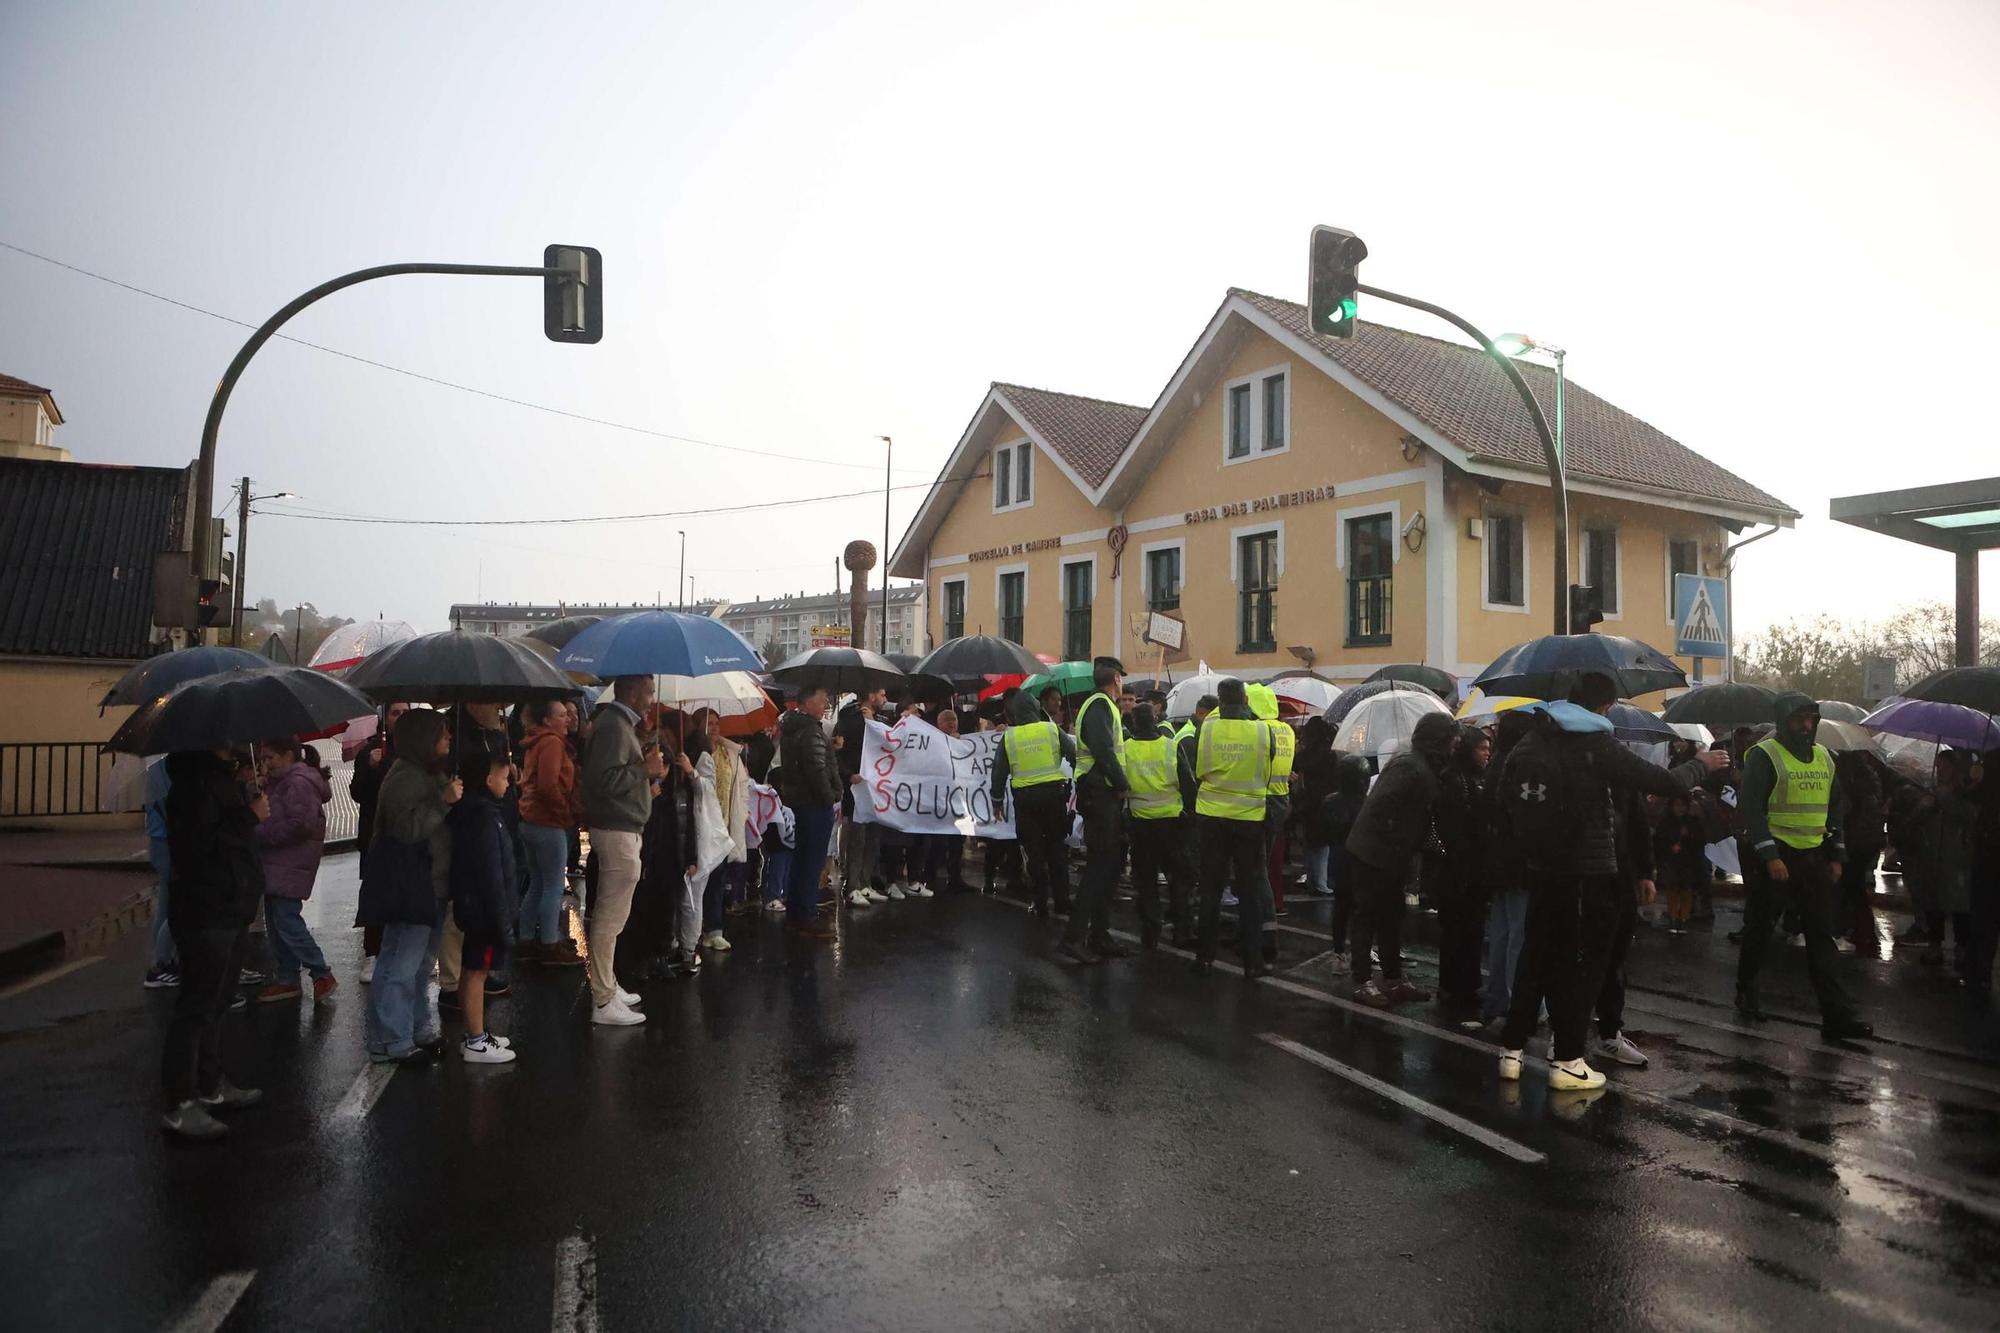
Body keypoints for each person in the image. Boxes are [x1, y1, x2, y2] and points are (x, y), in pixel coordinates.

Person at [1498, 674, 1727, 1091]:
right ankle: (1569, 1059)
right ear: (1604, 707)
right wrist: (1702, 765)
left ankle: (1511, 1051)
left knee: (1537, 955)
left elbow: (1504, 800)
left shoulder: (1532, 741)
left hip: (1541, 868)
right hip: (1587, 872)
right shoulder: (1595, 744)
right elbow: (1664, 782)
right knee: (1584, 965)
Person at [1733, 693, 1872, 1041]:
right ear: (1784, 721)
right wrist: (1770, 856)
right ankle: (1747, 988)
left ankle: (1836, 1016)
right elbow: (1752, 809)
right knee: (1760, 929)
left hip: (1814, 859)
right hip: (1777, 858)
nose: (1806, 726)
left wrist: (1837, 854)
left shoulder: (1824, 757)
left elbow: (1835, 805)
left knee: (1822, 939)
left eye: (1811, 719)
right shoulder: (1765, 757)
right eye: (1799, 720)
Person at [159, 746, 267, 1140]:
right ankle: (179, 1102)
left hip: (229, 906)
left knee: (218, 1002)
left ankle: (210, 1084)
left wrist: (243, 797)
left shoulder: (219, 779)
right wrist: (247, 816)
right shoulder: (192, 785)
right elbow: (198, 846)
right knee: (197, 1007)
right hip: (207, 909)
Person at [359, 708, 458, 1065]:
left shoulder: (427, 773)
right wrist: (442, 802)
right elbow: (407, 831)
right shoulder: (406, 777)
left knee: (419, 964)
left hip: (431, 883)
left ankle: (417, 1027)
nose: (448, 739)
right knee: (399, 963)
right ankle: (391, 1040)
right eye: (442, 734)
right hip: (411, 884)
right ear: (424, 740)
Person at [1344, 714, 1458, 1008]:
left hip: (1392, 856)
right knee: (1367, 917)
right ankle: (1362, 981)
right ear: (1439, 739)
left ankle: (1393, 978)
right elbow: (1384, 808)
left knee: (1391, 917)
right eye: (1451, 738)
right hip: (1374, 853)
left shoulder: (1424, 765)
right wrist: (1401, 841)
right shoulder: (1410, 766)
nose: (1455, 743)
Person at [581, 675, 663, 1026]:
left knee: (613, 917)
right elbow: (604, 782)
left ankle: (608, 985)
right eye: (648, 691)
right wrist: (644, 770)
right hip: (617, 831)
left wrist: (644, 780)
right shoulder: (613, 726)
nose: (651, 699)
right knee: (609, 919)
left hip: (622, 828)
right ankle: (603, 999)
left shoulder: (618, 725)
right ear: (631, 692)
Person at [1191, 679, 1275, 978]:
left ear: (1220, 701)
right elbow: (1268, 769)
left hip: (1212, 818)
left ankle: (1204, 958)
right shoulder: (1263, 731)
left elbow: (1198, 769)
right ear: (1245, 699)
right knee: (1249, 892)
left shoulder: (1208, 728)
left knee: (1211, 889)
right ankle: (1252, 963)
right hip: (1249, 820)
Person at [252, 740, 335, 1004]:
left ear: (288, 755)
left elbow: (301, 824)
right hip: (278, 863)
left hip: (288, 863)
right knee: (276, 922)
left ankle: (320, 970)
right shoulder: (281, 780)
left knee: (287, 921)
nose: (266, 763)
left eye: (270, 757)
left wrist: (262, 832)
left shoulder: (298, 782)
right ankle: (287, 977)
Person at [450, 748, 519, 1064]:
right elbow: (493, 873)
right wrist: (502, 920)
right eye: (504, 778)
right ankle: (476, 1039)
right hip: (484, 910)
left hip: (474, 906)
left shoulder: (475, 811)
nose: (507, 784)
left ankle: (475, 1033)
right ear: (488, 779)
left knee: (472, 969)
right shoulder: (485, 818)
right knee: (477, 971)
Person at [1065, 657, 1131, 964]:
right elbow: (1104, 750)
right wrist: (1121, 782)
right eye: (1122, 680)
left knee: (1105, 868)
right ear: (1116, 679)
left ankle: (1099, 935)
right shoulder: (1100, 706)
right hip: (1100, 793)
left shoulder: (1101, 706)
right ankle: (1074, 938)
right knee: (1097, 869)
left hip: (1101, 792)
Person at [990, 687, 1077, 919]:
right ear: (1037, 709)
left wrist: (996, 801)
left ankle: (1040, 902)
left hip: (1026, 801)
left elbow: (999, 771)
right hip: (1053, 797)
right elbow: (1072, 753)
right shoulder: (1051, 729)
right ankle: (1062, 901)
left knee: (1034, 852)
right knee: (1057, 850)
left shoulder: (1010, 736)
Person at [1476, 711, 1535, 1026]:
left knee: (1501, 931)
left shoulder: (1496, 764)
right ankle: (1517, 1003)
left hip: (1497, 860)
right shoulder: (1518, 766)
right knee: (1518, 934)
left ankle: (1497, 996)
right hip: (1517, 861)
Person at [516, 698, 583, 966]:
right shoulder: (553, 742)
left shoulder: (535, 741)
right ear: (547, 720)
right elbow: (548, 785)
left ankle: (526, 938)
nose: (568, 719)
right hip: (548, 822)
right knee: (553, 884)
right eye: (562, 715)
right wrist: (563, 812)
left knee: (538, 883)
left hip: (530, 820)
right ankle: (549, 942)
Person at [347, 700, 409, 983]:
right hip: (374, 833)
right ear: (385, 717)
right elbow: (357, 793)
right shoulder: (371, 750)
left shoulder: (414, 749)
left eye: (406, 713)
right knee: (374, 893)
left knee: (403, 893)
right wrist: (372, 767)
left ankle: (396, 950)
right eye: (396, 713)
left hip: (406, 833)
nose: (401, 718)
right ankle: (372, 952)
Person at [1124, 703, 1194, 949]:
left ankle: (1151, 932)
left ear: (1133, 722)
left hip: (1141, 824)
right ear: (1154, 720)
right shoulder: (1171, 746)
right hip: (1171, 823)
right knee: (1179, 879)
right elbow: (1188, 783)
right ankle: (1182, 931)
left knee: (1146, 881)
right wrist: (1189, 815)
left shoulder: (1126, 749)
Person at [1432, 725, 1489, 1012]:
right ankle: (1451, 985)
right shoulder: (1453, 779)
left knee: (1473, 929)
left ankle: (1469, 983)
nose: (1487, 753)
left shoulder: (1479, 778)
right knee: (1456, 927)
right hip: (1456, 867)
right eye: (1481, 748)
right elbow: (1452, 826)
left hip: (1475, 865)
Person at [779, 685, 841, 940]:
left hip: (800, 802)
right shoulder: (810, 731)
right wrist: (829, 798)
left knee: (801, 860)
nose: (825, 705)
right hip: (815, 804)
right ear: (807, 703)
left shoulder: (791, 729)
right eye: (822, 700)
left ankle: (796, 913)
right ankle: (805, 916)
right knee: (812, 862)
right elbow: (817, 770)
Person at [697, 708, 752, 949]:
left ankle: (714, 928)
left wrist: (744, 812)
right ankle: (692, 931)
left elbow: (742, 785)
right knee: (700, 876)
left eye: (717, 723)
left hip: (724, 823)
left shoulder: (729, 752)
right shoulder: (695, 751)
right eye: (708, 723)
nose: (714, 728)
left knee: (718, 877)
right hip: (702, 822)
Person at [1311, 753, 1372, 968]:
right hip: (1361, 860)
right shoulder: (1367, 802)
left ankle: (1339, 951)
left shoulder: (1330, 801)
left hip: (1338, 859)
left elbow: (1322, 831)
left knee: (1342, 907)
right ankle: (1360, 952)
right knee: (1360, 909)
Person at [1248, 685, 1293, 952]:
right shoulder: (1284, 729)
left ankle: (1261, 932)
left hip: (1261, 800)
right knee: (1263, 864)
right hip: (1281, 798)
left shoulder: (1260, 731)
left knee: (1255, 869)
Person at [838, 686, 889, 906]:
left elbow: (890, 742)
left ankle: (865, 882)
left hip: (876, 787)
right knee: (858, 837)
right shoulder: (850, 720)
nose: (885, 699)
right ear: (871, 695)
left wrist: (874, 723)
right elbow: (839, 750)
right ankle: (853, 886)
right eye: (882, 694)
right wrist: (849, 774)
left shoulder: (880, 720)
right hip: (857, 786)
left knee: (873, 836)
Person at [142, 757, 180, 988]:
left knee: (167, 903)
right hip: (169, 838)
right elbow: (171, 802)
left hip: (162, 837)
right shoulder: (167, 762)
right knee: (176, 904)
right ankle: (161, 962)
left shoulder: (157, 762)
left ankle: (162, 961)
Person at [1293, 717, 1339, 899]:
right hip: (1325, 802)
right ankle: (1320, 882)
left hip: (1306, 802)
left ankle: (1312, 879)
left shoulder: (1303, 755)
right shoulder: (1329, 754)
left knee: (1310, 843)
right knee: (1323, 845)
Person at [1655, 792, 1708, 934]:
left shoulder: (1692, 822)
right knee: (1672, 890)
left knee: (1686, 890)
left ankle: (1684, 918)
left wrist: (1689, 836)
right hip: (1671, 862)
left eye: (1683, 805)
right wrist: (1669, 847)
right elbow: (1659, 841)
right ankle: (1673, 917)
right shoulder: (1665, 822)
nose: (1680, 808)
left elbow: (1701, 840)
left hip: (1688, 862)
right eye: (1677, 805)